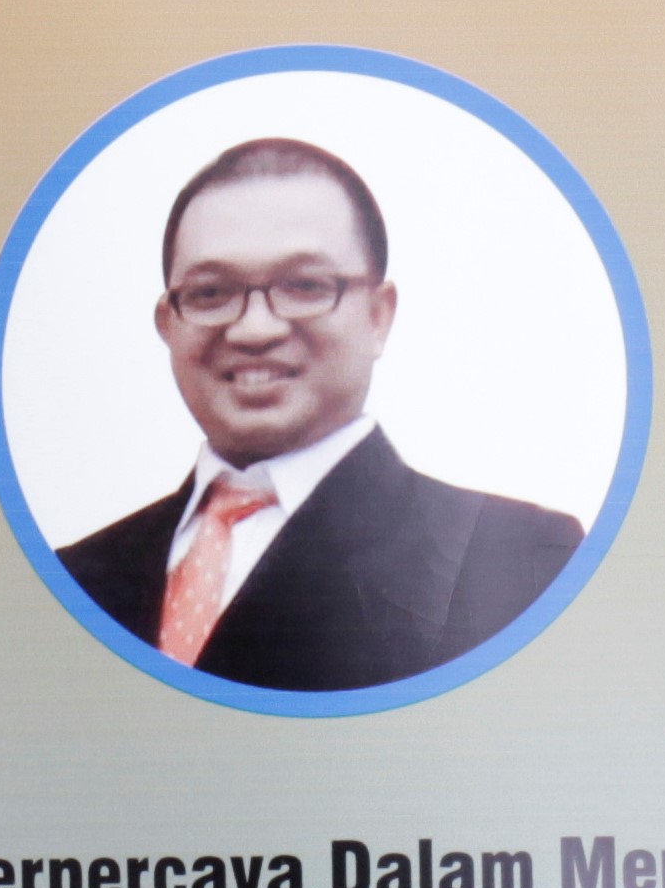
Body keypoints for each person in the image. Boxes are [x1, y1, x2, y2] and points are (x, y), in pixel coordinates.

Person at [53, 135, 581, 690]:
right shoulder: (75, 577)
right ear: (168, 323)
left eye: (305, 285)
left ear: (378, 316)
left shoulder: (516, 559)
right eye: (211, 292)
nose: (254, 329)